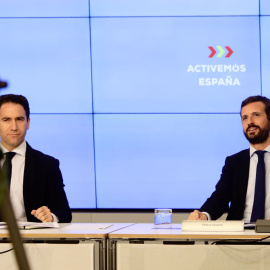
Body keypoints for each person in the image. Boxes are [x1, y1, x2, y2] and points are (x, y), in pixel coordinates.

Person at [188, 95, 270, 222]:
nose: (250, 122)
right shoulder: (234, 162)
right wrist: (203, 215)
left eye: (256, 115)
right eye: (245, 118)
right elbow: (220, 198)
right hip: (239, 237)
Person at [0, 94, 72, 223]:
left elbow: (64, 212)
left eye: (20, 119)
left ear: (28, 123)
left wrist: (51, 217)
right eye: (6, 120)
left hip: (32, 240)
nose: (14, 127)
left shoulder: (47, 165)